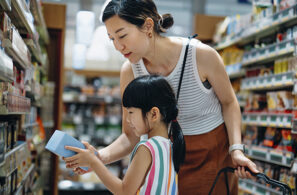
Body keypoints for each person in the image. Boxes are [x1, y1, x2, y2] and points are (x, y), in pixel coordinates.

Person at [65, 0, 259, 194]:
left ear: (148, 26)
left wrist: (236, 149)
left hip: (211, 157)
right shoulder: (130, 71)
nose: (118, 46)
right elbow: (130, 135)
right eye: (111, 39)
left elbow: (229, 102)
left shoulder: (201, 55)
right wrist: (98, 156)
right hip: (163, 161)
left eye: (122, 35)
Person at [64, 75, 185, 194]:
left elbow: (124, 191)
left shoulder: (147, 148)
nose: (127, 119)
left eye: (131, 112)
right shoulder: (170, 146)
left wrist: (94, 162)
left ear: (154, 114)